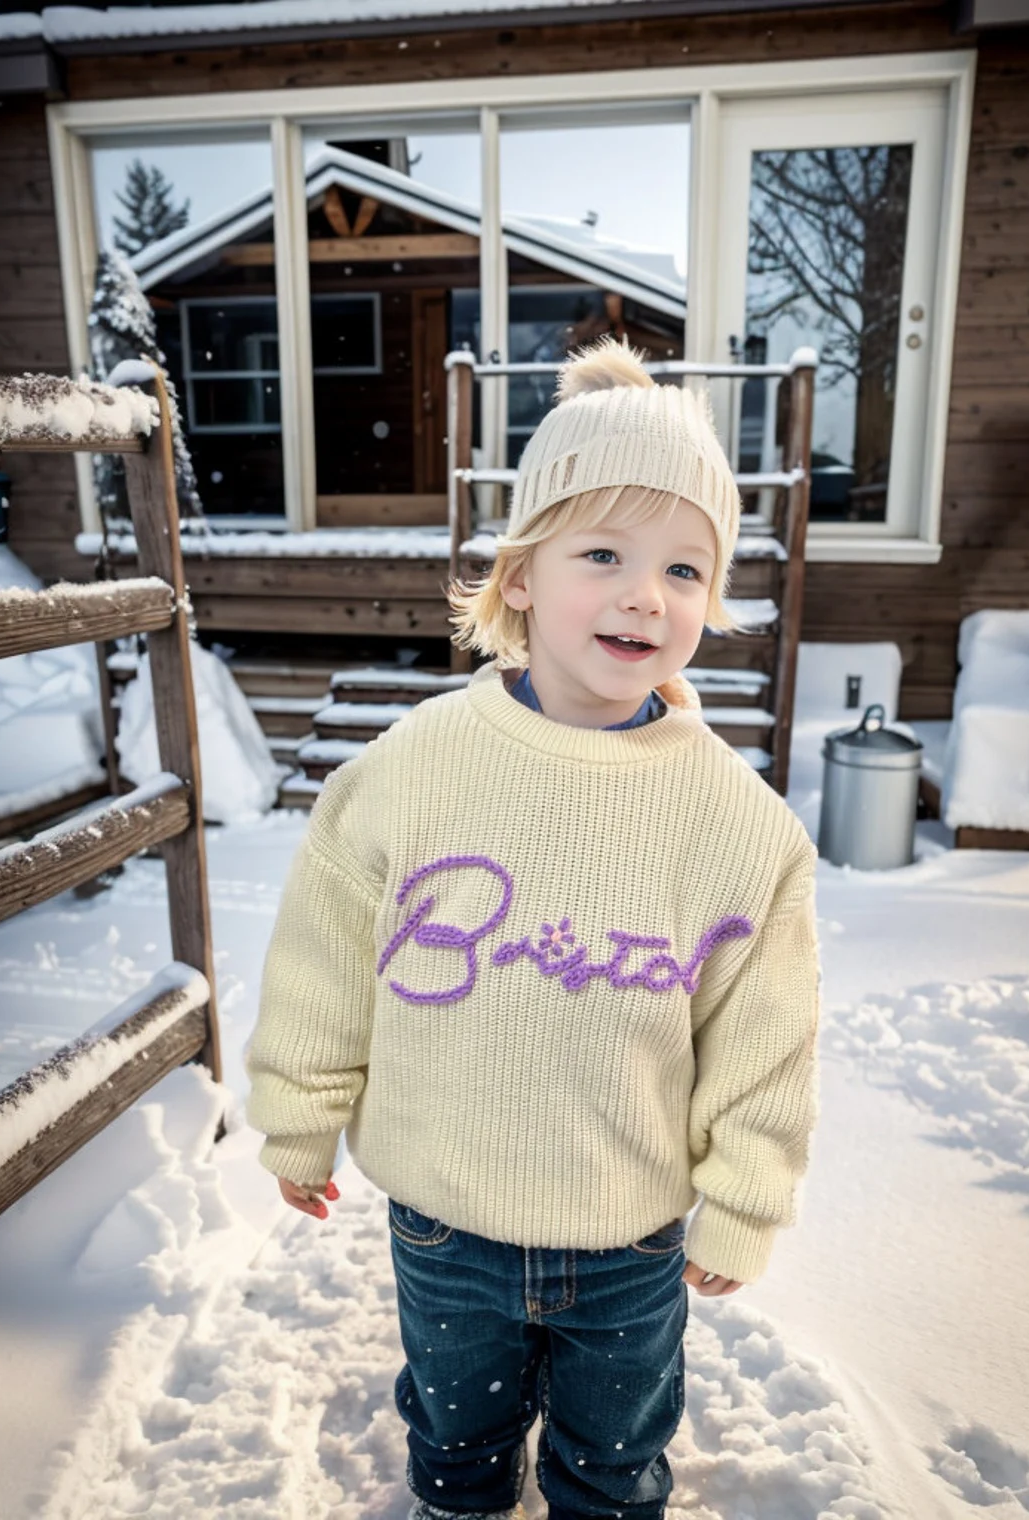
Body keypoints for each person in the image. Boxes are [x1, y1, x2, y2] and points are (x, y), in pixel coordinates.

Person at [244, 334, 822, 1520]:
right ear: (517, 574)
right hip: (446, 1223)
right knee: (457, 1436)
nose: (642, 595)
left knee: (614, 1462)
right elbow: (325, 954)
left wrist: (746, 1193)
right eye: (601, 552)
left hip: (633, 1240)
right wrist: (300, 1112)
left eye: (683, 568)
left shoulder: (737, 825)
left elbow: (765, 1037)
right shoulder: (417, 770)